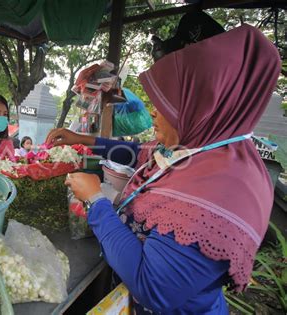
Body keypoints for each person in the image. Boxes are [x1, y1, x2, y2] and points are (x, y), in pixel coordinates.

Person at [46, 20, 281, 314]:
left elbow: (152, 286)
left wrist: (96, 202)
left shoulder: (224, 191)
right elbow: (140, 153)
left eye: (168, 104)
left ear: (204, 106)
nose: (154, 112)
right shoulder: (203, 147)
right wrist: (80, 139)